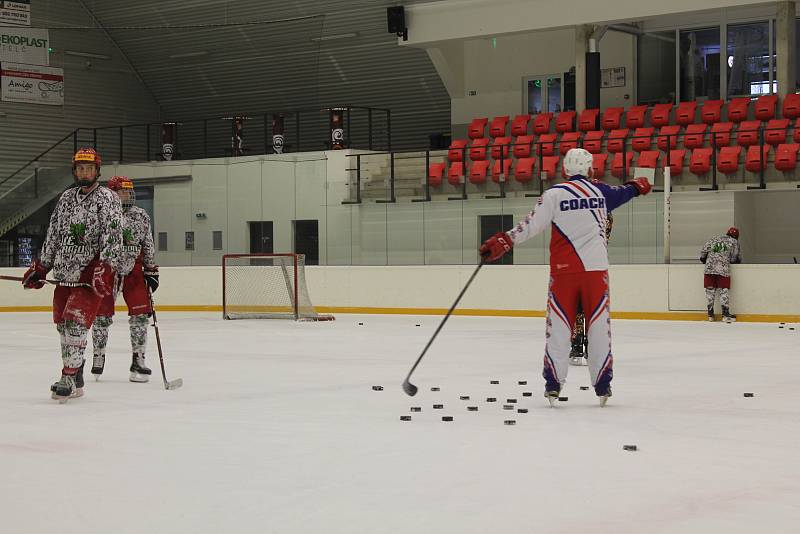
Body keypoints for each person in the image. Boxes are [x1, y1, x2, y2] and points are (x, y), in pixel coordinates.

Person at [479, 148, 651, 406]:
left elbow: (530, 226)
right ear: (592, 169)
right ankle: (603, 386)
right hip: (595, 271)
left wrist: (504, 241)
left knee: (559, 328)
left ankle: (553, 385)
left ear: (564, 171)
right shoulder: (602, 192)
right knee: (598, 328)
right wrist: (639, 185)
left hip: (563, 272)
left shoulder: (554, 195)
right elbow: (626, 192)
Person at [22, 148, 122, 402]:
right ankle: (76, 372)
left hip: (90, 275)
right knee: (62, 326)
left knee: (75, 325)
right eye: (80, 168)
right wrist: (41, 267)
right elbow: (54, 234)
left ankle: (67, 376)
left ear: (97, 170)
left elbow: (113, 235)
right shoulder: (66, 198)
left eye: (89, 168)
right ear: (75, 171)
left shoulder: (108, 198)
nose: (84, 172)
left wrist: (105, 267)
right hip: (65, 274)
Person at [91, 176, 159, 382]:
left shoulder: (141, 215)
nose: (127, 195)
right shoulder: (101, 213)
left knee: (140, 317)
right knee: (101, 317)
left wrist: (151, 269)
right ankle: (98, 355)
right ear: (112, 193)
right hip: (107, 271)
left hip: (134, 272)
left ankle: (138, 360)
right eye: (122, 191)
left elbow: (147, 242)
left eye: (129, 191)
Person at [569, 213, 614, 366]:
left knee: (584, 311)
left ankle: (580, 348)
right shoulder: (602, 216)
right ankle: (585, 349)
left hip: (586, 270)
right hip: (593, 270)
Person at [700, 227, 741, 323]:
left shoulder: (714, 238)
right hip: (723, 269)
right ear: (737, 236)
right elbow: (735, 258)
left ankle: (710, 315)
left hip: (709, 269)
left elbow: (703, 251)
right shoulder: (734, 242)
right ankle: (725, 315)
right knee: (724, 291)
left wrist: (704, 259)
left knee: (710, 291)